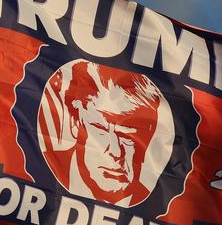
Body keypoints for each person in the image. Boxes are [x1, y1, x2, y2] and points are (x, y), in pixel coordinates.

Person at [39, 59, 168, 208]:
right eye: (100, 129)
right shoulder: (42, 175)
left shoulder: (154, 204)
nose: (115, 151)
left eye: (128, 137)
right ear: (75, 124)